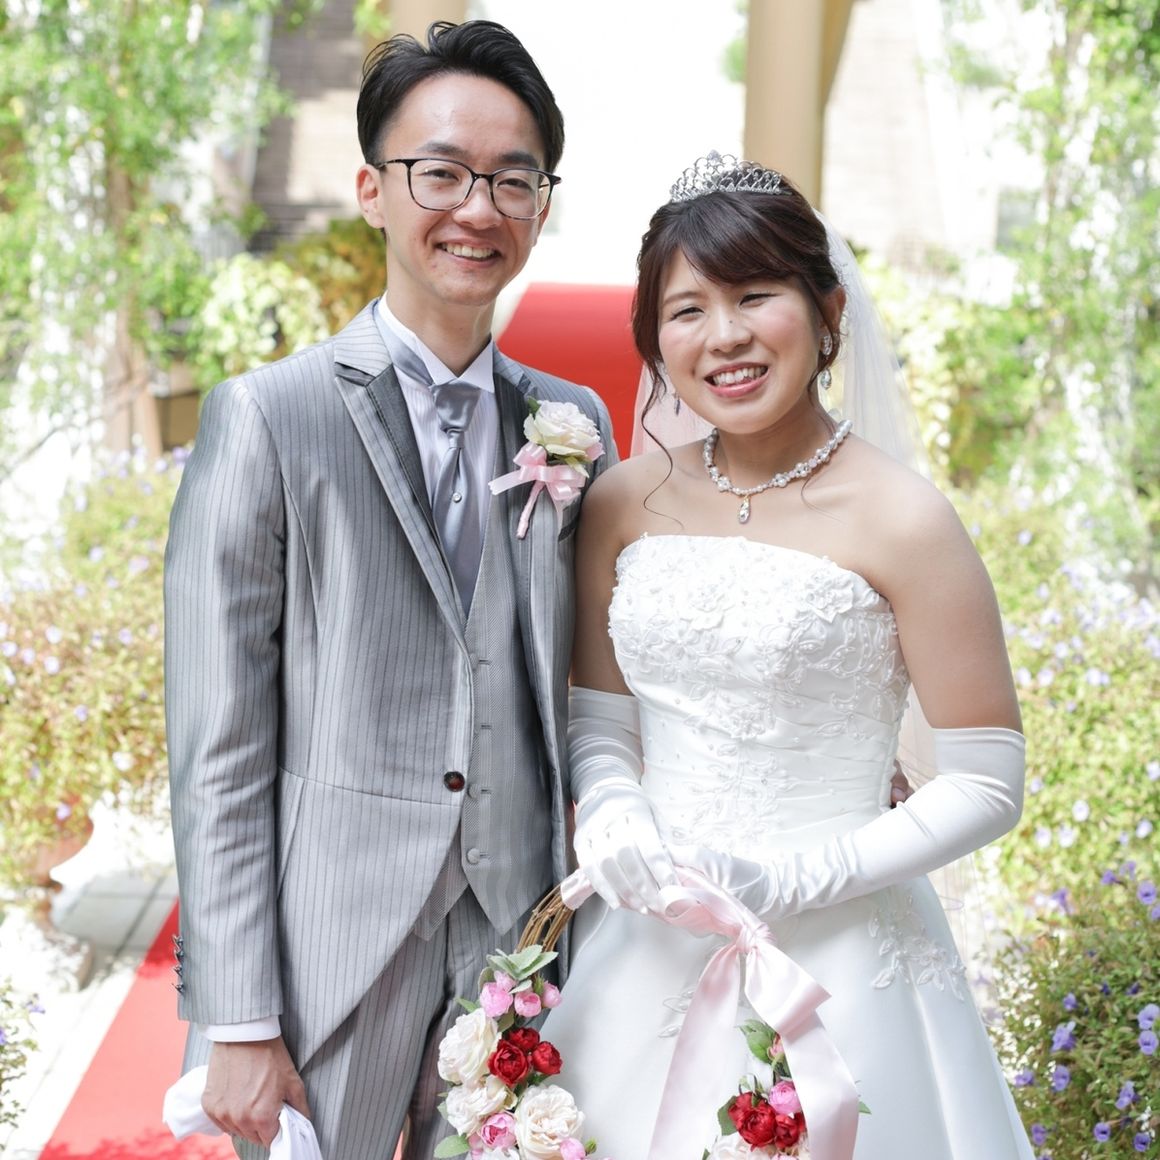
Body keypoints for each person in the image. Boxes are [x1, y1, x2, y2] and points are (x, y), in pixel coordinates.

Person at [163, 20, 614, 1160]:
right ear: (372, 189)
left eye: (513, 180)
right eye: (442, 172)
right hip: (329, 957)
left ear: (541, 206)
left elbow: (607, 672)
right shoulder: (269, 417)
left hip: (520, 941)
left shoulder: (573, 422)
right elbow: (218, 742)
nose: (478, 208)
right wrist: (237, 1017)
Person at [542, 154, 1034, 1158]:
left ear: (826, 312)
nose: (722, 335)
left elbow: (986, 781)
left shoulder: (905, 519)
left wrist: (794, 881)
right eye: (686, 310)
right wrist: (617, 806)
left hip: (843, 952)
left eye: (754, 295)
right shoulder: (621, 501)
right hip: (647, 929)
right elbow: (601, 719)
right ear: (656, 340)